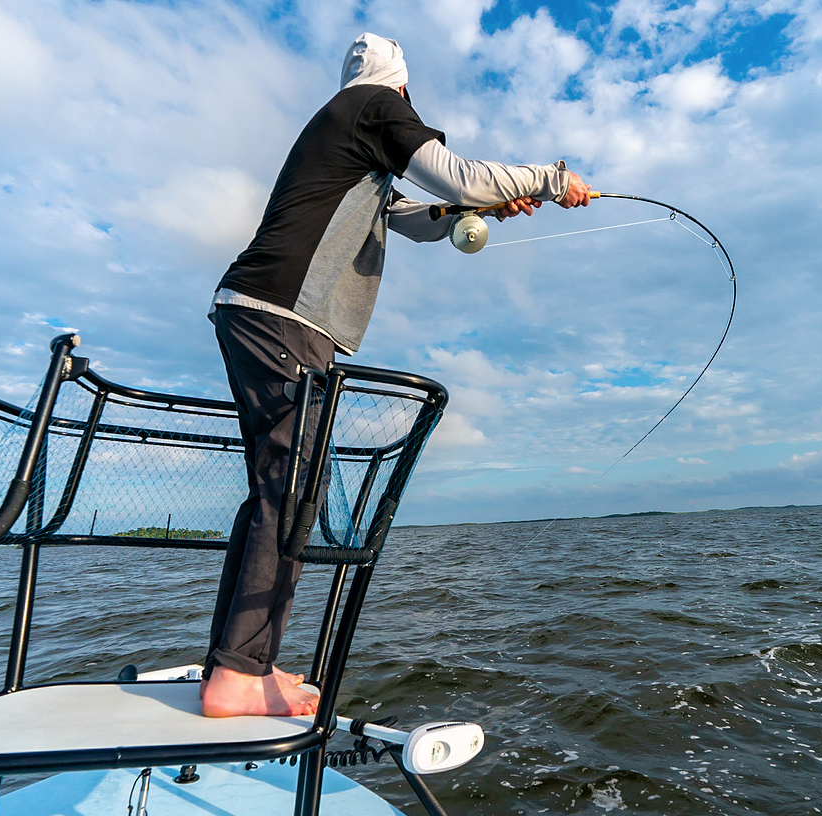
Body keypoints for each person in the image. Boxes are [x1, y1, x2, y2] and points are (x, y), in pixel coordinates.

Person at [201, 32, 593, 718]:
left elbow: (418, 218)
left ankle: (238, 665)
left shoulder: (347, 132)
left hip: (256, 313)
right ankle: (236, 675)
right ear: (401, 86)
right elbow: (460, 177)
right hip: (283, 316)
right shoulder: (374, 105)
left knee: (276, 489)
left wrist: (479, 211)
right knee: (292, 491)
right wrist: (551, 180)